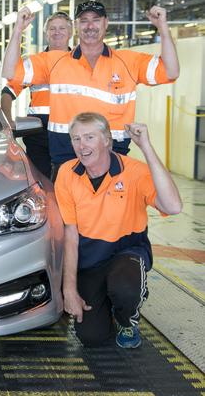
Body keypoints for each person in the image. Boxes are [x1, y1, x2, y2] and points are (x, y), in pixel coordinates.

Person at [2, 0, 180, 179]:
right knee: (64, 207)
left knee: (108, 207)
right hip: (67, 158)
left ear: (106, 23)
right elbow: (10, 72)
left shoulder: (128, 61)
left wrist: (163, 28)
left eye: (96, 19)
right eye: (84, 20)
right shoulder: (55, 61)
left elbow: (170, 72)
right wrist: (18, 30)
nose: (90, 26)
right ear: (77, 26)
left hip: (111, 157)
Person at [55, 112, 181, 349]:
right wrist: (69, 289)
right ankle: (109, 304)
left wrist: (147, 148)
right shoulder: (66, 173)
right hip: (90, 261)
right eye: (76, 139)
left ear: (107, 141)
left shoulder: (134, 171)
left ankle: (126, 320)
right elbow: (70, 235)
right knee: (91, 337)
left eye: (90, 137)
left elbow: (173, 206)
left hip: (127, 252)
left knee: (124, 287)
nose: (82, 146)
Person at [0, 11, 73, 178]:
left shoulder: (80, 62)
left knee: (68, 182)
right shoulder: (33, 63)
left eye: (62, 28)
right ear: (46, 33)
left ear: (70, 33)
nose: (57, 32)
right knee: (40, 181)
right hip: (38, 132)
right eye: (52, 28)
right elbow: (7, 92)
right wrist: (7, 120)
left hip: (70, 133)